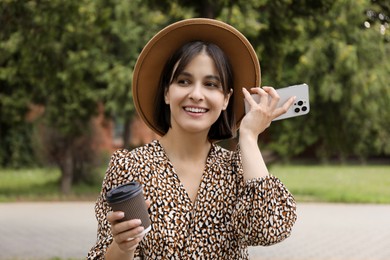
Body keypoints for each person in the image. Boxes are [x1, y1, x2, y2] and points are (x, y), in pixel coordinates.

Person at [88, 18, 297, 260]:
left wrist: (249, 137)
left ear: (226, 99)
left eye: (211, 84)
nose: (196, 95)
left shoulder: (239, 169)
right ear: (167, 92)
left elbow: (269, 230)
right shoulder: (129, 167)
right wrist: (123, 246)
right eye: (184, 81)